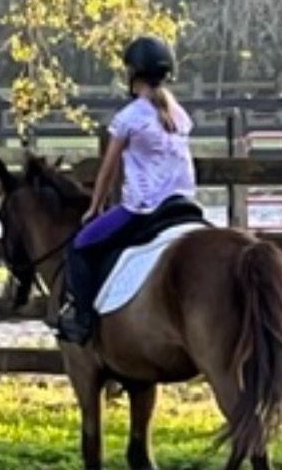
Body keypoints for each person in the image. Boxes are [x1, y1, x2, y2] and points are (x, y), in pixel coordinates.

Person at [56, 36, 197, 344]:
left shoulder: (129, 117)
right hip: (186, 204)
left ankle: (81, 320)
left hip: (143, 209)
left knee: (80, 247)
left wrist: (94, 208)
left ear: (132, 74)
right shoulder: (180, 114)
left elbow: (108, 170)